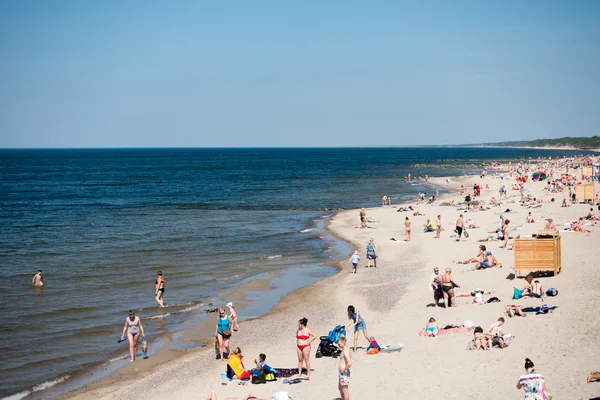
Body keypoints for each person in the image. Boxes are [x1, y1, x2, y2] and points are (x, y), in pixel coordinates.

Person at [337, 336, 352, 400]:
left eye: (339, 344)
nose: (338, 345)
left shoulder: (345, 351)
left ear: (343, 342)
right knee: (340, 388)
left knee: (344, 389)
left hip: (344, 372)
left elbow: (349, 363)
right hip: (342, 372)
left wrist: (343, 370)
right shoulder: (346, 349)